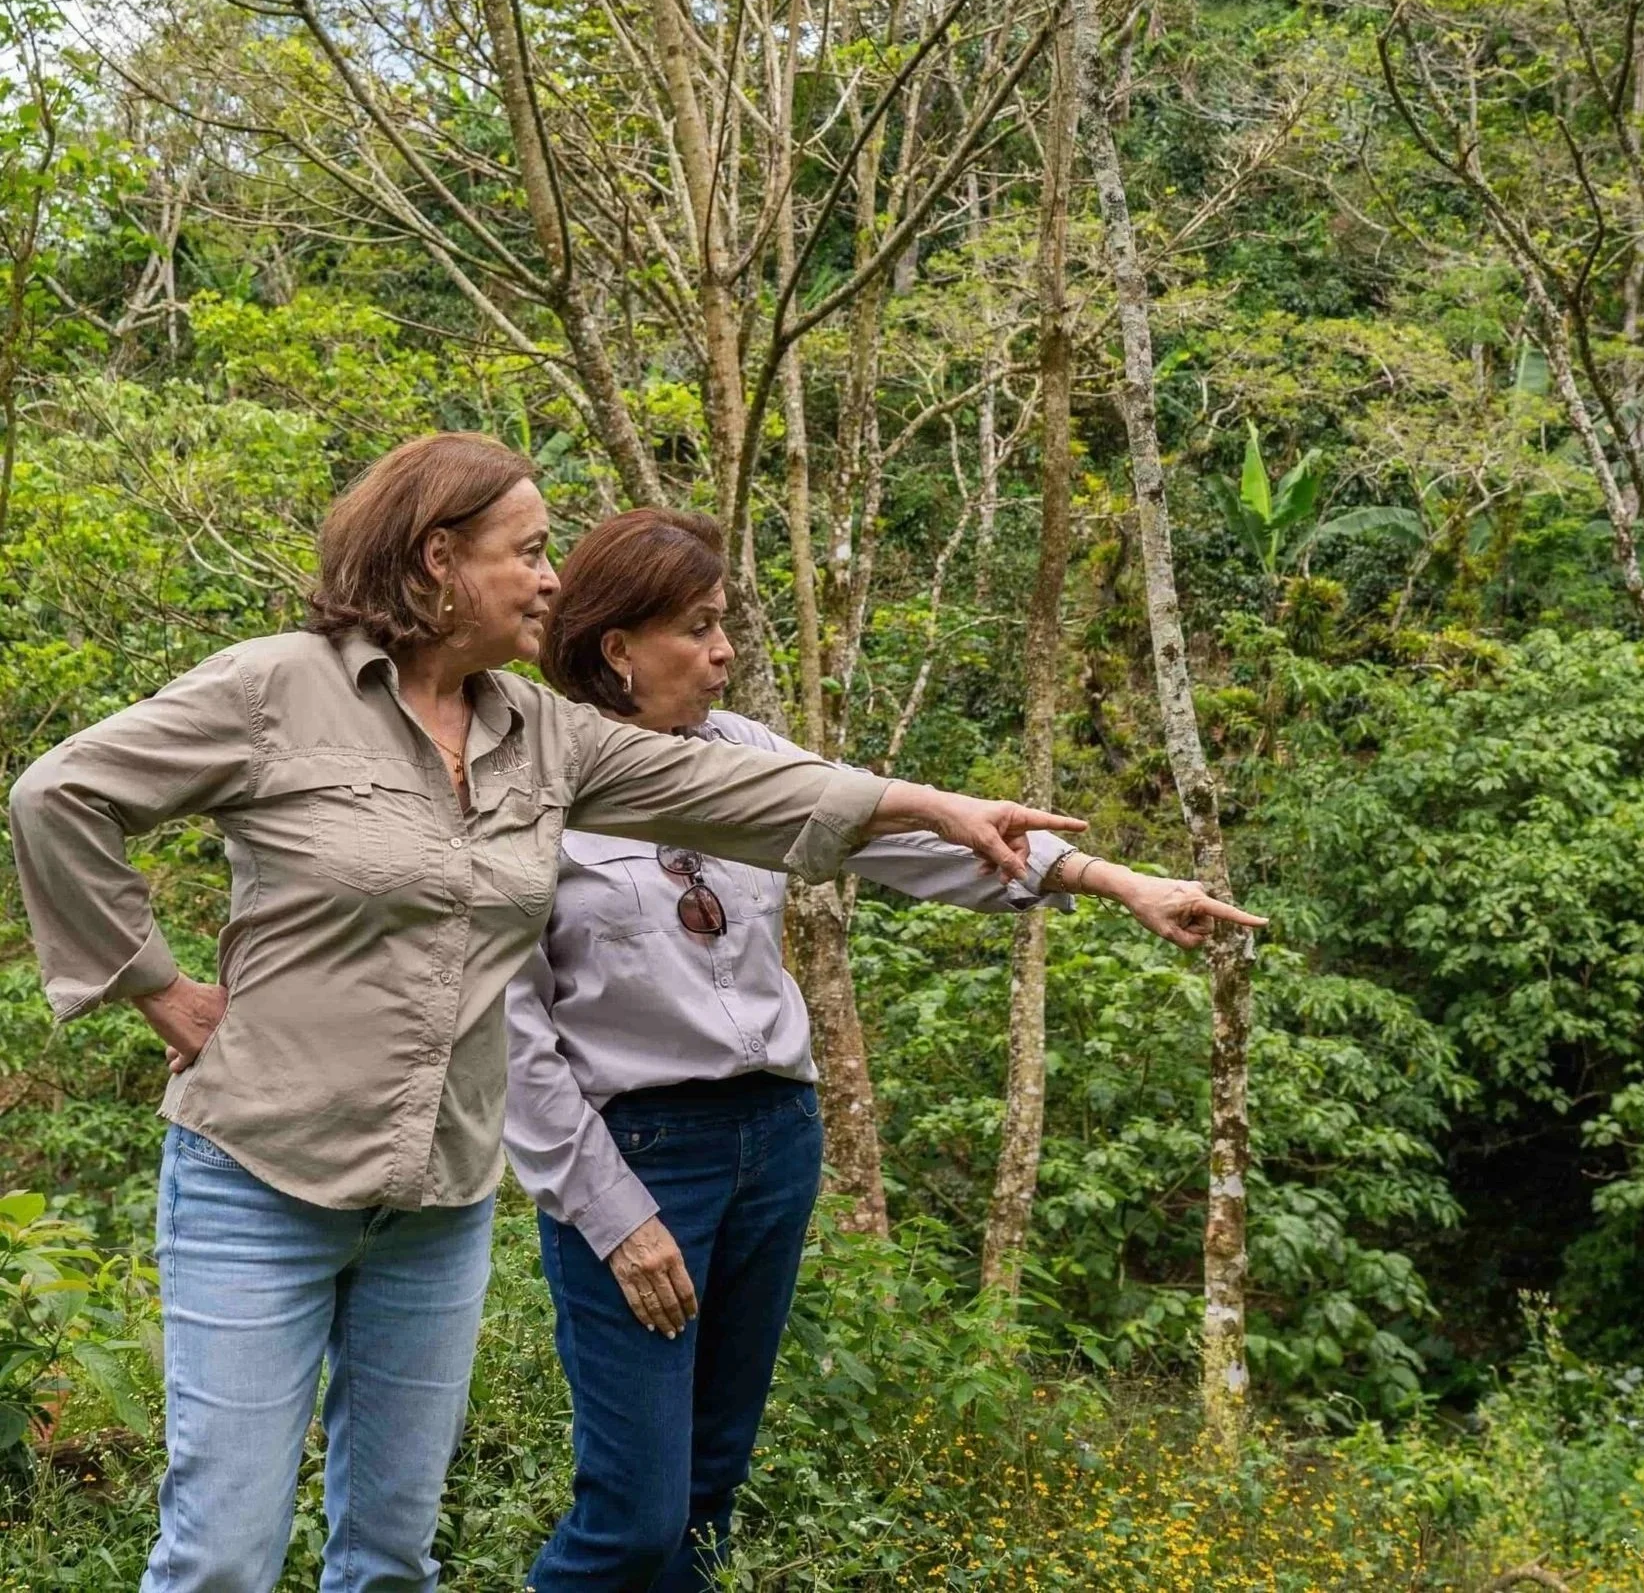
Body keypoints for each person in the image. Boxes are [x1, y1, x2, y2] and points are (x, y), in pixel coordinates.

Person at [5, 432, 1097, 1593]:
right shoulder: (277, 688)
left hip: (438, 1198)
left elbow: (738, 788)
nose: (552, 580)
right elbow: (60, 795)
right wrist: (154, 984)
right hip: (259, 1176)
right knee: (224, 1556)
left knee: (387, 1558)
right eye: (527, 553)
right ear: (438, 561)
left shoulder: (545, 735)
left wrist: (929, 801)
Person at [506, 509, 1262, 1593]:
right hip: (635, 1152)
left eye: (726, 624)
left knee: (710, 1490)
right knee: (633, 1514)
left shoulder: (745, 757)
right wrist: (613, 1214)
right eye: (696, 628)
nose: (725, 652)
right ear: (616, 647)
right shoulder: (533, 785)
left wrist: (1120, 883)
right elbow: (514, 1033)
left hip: (772, 1138)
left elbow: (916, 836)